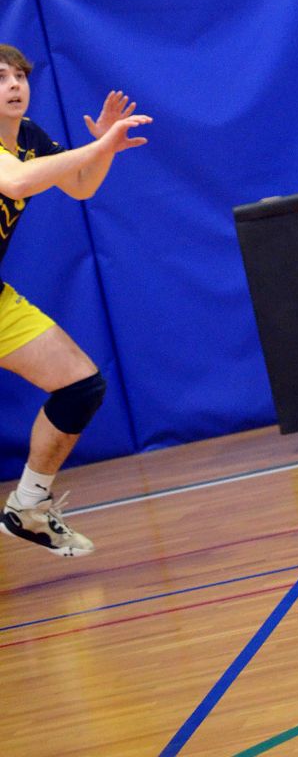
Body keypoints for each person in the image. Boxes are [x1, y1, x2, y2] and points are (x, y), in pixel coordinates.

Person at [0, 45, 151, 559]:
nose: (15, 85)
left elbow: (82, 186)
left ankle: (28, 506)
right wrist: (97, 146)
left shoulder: (29, 136)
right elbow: (16, 181)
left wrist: (102, 149)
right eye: (1, 77)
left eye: (20, 76)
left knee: (80, 386)